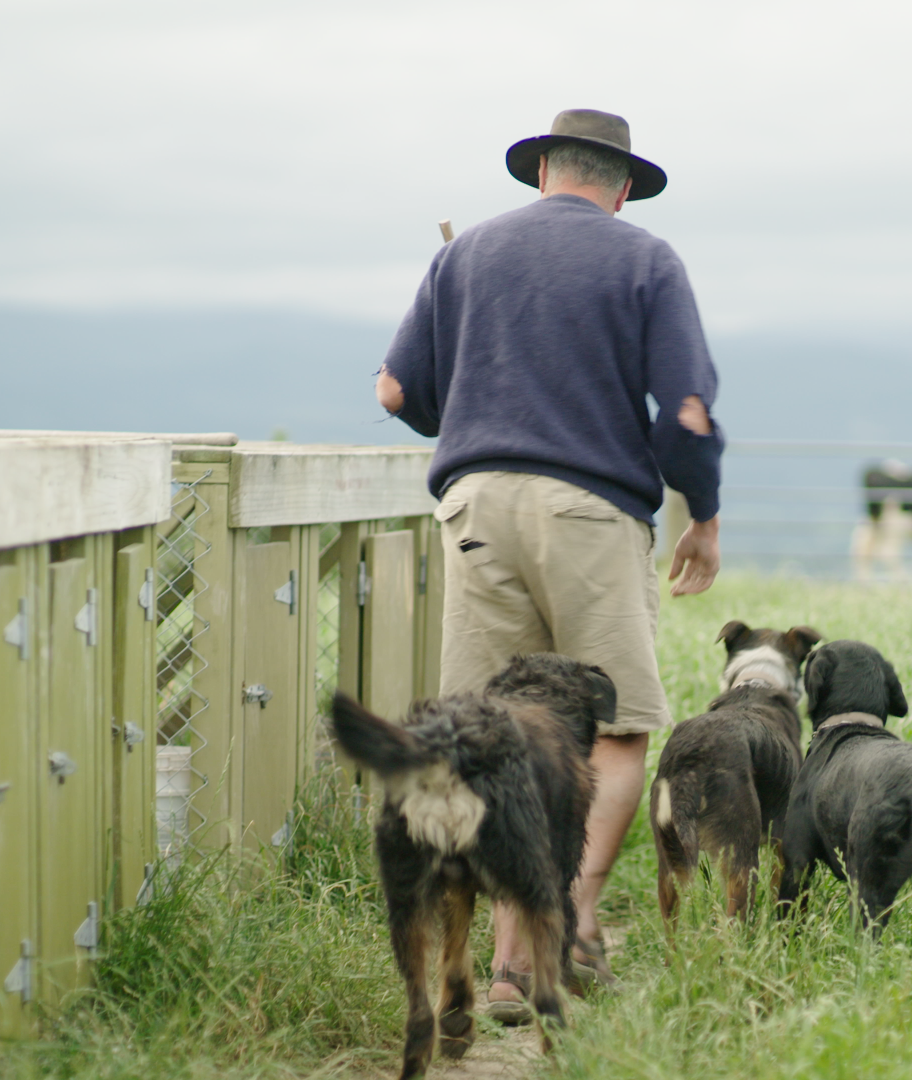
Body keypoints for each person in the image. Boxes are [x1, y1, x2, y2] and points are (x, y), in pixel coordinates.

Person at [375, 108, 723, 1021]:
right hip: (589, 512)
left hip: (475, 506)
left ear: (540, 173)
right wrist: (703, 514)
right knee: (613, 728)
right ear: (622, 188)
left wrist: (471, 409)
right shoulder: (645, 259)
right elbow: (686, 413)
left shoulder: (465, 254)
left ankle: (505, 965)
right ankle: (566, 926)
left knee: (490, 736)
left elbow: (396, 390)